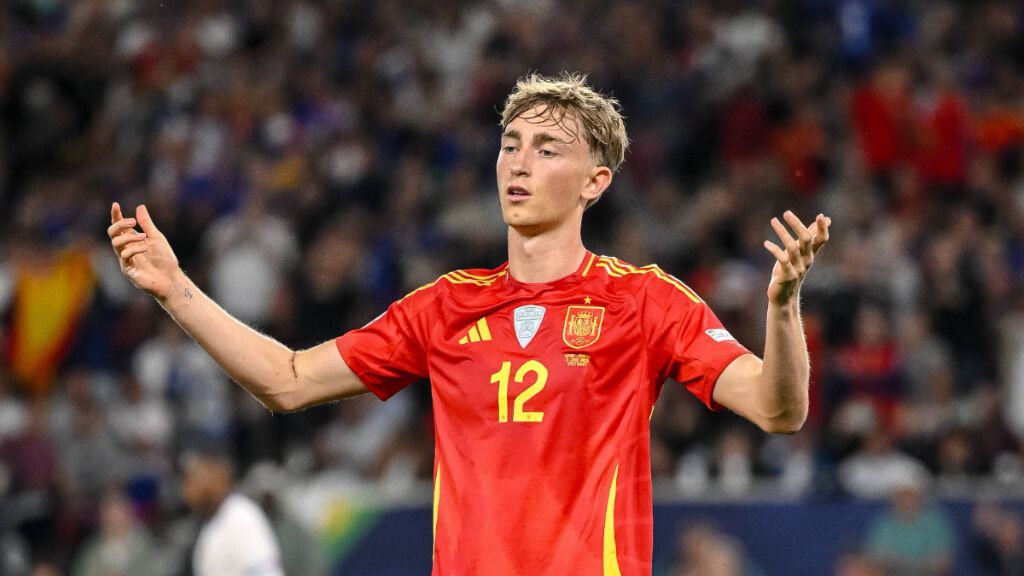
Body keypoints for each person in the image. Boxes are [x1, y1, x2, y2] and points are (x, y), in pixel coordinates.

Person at [108, 72, 831, 575]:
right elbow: (288, 382)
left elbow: (778, 409)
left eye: (547, 149)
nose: (518, 162)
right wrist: (176, 290)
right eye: (510, 144)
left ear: (596, 181)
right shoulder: (445, 308)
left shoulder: (643, 301)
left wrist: (782, 305)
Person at [180, 447, 284, 576]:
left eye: (198, 477)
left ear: (219, 477)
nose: (191, 487)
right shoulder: (209, 521)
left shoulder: (242, 516)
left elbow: (266, 572)